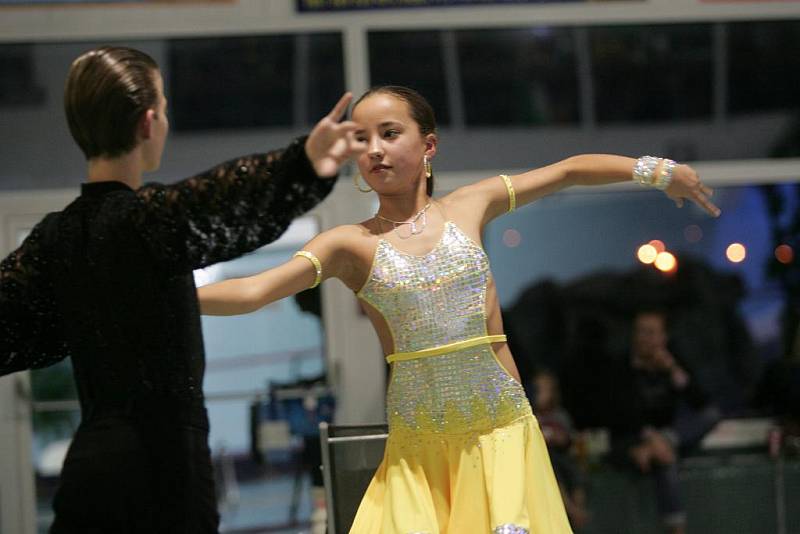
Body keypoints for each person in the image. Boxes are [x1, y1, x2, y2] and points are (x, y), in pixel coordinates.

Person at [198, 85, 721, 534]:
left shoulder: (471, 205)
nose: (375, 150)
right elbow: (253, 291)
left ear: (428, 145)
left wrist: (658, 170)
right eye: (363, 140)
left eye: (389, 133)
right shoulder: (349, 244)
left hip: (499, 432)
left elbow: (567, 171)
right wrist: (163, 296)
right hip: (418, 449)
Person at [0, 46, 364, 534]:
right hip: (164, 470)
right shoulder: (148, 221)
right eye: (166, 107)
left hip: (88, 469)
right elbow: (222, 200)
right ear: (149, 123)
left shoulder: (53, 239)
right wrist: (304, 163)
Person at [608, 309, 719, 534]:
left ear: (663, 338)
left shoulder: (671, 362)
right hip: (633, 437)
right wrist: (649, 438)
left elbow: (700, 402)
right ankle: (677, 529)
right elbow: (620, 413)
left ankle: (660, 445)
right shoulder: (621, 366)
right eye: (639, 332)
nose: (643, 338)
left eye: (650, 333)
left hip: (669, 437)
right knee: (665, 459)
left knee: (710, 416)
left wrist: (673, 369)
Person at [532, 370, 588, 530]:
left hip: (563, 456)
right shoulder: (531, 415)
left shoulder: (560, 415)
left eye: (544, 389)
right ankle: (571, 511)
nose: (540, 394)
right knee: (553, 473)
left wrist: (557, 437)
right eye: (537, 389)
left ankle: (578, 509)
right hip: (543, 460)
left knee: (576, 472)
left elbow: (568, 439)